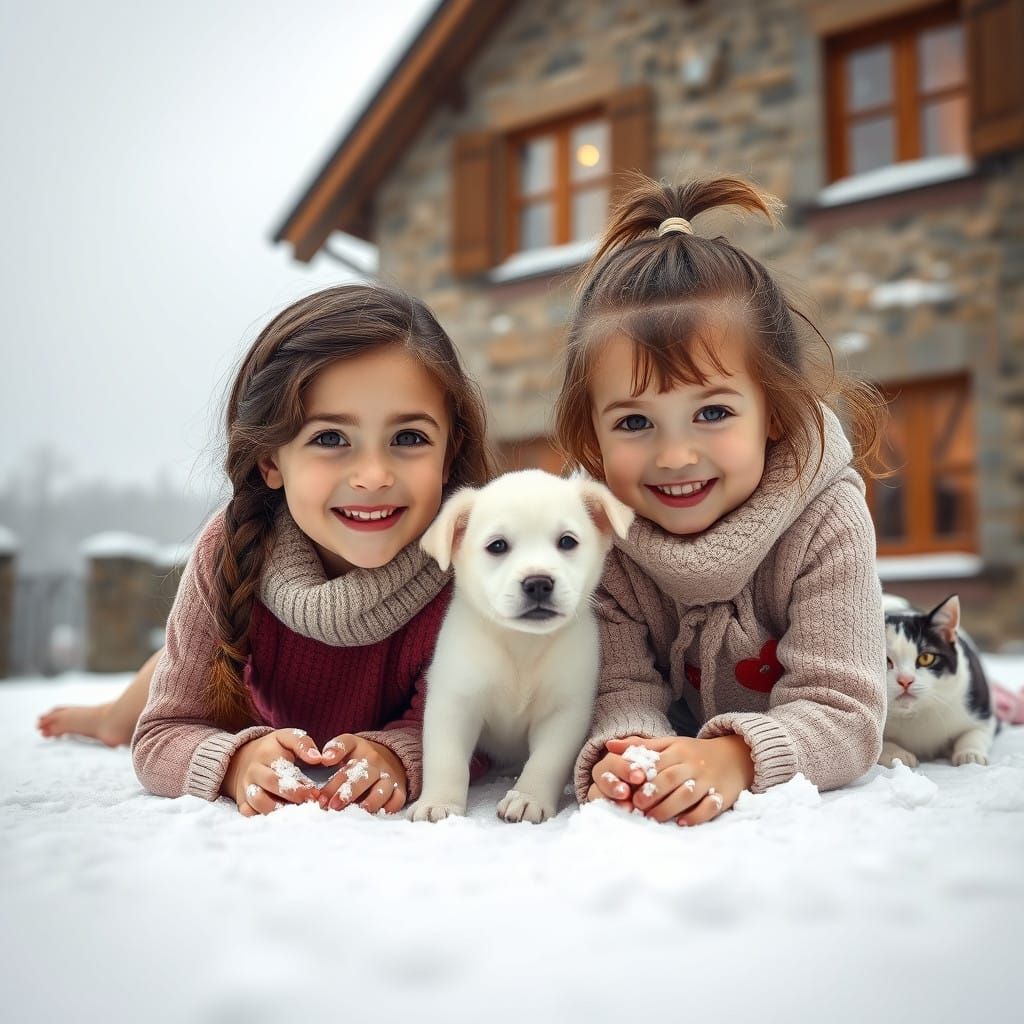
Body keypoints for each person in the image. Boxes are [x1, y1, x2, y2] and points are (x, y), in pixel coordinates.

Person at [41, 284, 491, 816]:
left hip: (361, 708)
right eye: (330, 438)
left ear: (448, 452)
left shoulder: (475, 566)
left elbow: (483, 730)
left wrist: (398, 756)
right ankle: (107, 717)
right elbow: (164, 732)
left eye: (410, 438)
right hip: (246, 697)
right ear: (270, 460)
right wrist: (232, 761)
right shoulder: (231, 548)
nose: (373, 476)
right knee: (164, 681)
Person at [553, 174, 887, 827]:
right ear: (590, 432)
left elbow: (844, 709)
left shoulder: (825, 517)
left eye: (711, 412)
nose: (675, 455)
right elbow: (620, 687)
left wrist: (735, 758)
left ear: (772, 410)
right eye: (633, 422)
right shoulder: (593, 536)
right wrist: (630, 750)